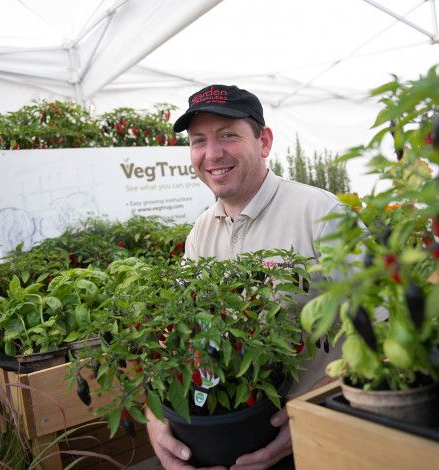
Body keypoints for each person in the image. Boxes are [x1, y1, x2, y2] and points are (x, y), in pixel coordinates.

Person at [146, 84, 349, 470]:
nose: (212, 153)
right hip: (233, 438)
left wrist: (316, 407)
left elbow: (385, 326)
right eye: (199, 140)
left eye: (228, 135)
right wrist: (157, 416)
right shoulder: (201, 233)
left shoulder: (322, 214)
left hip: (326, 439)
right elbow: (178, 340)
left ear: (264, 141)